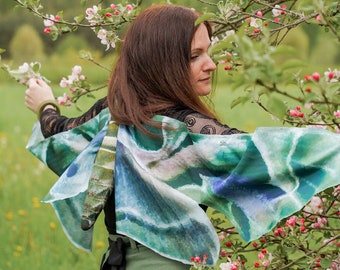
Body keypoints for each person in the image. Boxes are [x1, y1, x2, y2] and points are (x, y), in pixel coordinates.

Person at [25, 4, 244, 270]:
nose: (211, 65)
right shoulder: (187, 129)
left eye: (208, 52)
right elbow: (263, 153)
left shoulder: (115, 113)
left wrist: (45, 104)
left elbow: (59, 130)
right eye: (194, 56)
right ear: (163, 62)